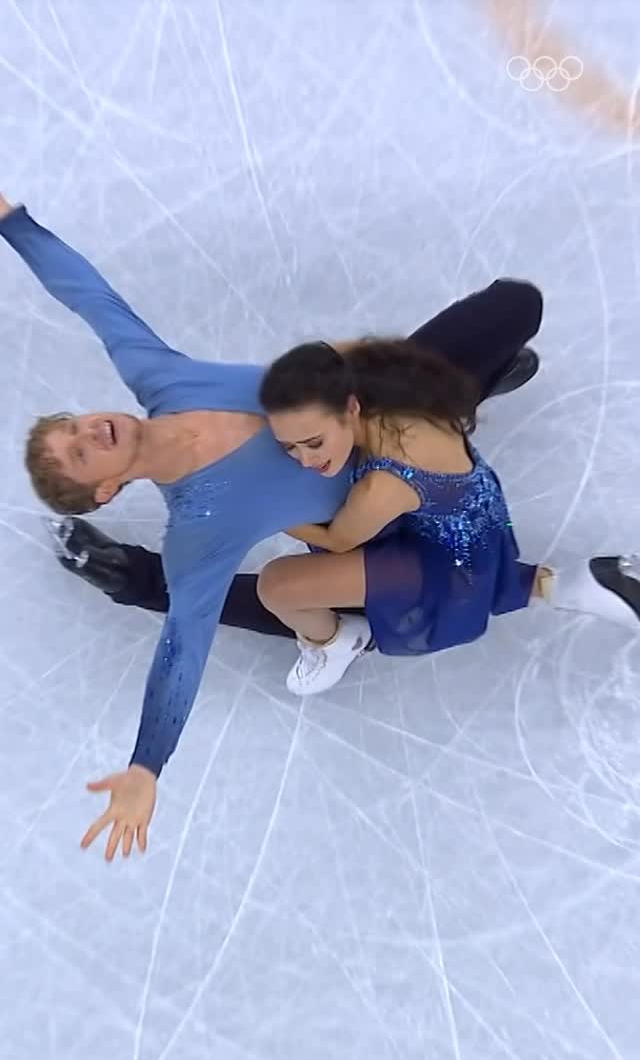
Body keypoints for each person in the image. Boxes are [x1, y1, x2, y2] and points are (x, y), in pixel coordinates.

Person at [0, 191, 543, 861]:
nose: (89, 430)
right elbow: (182, 649)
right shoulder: (199, 524)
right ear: (107, 489)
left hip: (371, 420)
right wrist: (146, 766)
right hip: (384, 527)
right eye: (81, 454)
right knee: (243, 587)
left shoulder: (158, 377)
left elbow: (88, 295)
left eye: (74, 426)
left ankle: (470, 389)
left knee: (516, 304)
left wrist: (11, 223)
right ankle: (169, 588)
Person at [254, 341, 640, 694]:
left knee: (276, 586)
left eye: (314, 443)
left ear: (351, 407)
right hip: (476, 517)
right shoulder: (383, 388)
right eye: (289, 447)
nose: (305, 460)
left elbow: (339, 540)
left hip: (448, 565)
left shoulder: (383, 487)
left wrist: (269, 514)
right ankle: (570, 586)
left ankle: (338, 642)